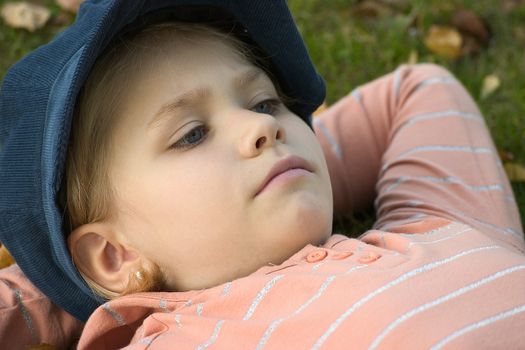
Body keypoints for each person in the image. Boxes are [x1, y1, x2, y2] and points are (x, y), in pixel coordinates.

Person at [0, 1, 524, 348]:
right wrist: (62, 283)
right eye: (193, 134)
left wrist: (292, 173)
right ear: (114, 253)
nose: (260, 127)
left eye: (267, 102)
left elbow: (416, 91)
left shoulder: (435, 229)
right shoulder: (181, 336)